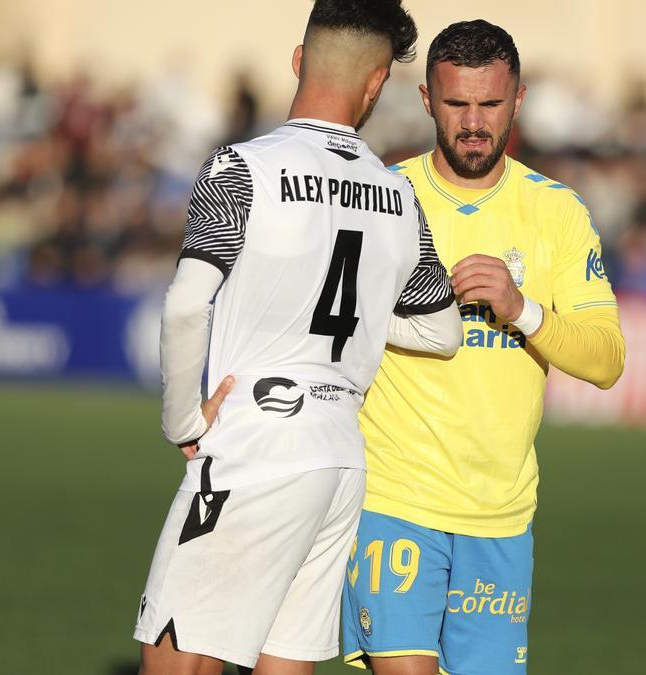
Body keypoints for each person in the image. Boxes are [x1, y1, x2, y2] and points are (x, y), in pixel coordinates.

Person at [132, 2, 462, 673]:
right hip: (338, 455)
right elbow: (442, 328)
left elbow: (186, 304)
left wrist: (183, 421)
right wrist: (365, 312)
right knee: (285, 660)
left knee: (177, 657)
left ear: (296, 61)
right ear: (375, 84)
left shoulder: (243, 165)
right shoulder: (397, 195)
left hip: (256, 441)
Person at [341, 20, 626, 675]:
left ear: (517, 101)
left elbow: (606, 360)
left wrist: (521, 308)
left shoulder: (555, 212)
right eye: (456, 103)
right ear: (425, 101)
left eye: (490, 105)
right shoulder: (382, 198)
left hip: (500, 513)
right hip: (393, 500)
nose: (473, 122)